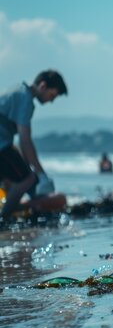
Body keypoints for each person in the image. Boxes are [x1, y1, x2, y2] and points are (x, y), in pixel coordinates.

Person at [0, 70, 67, 219]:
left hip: (4, 144)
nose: (51, 101)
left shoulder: (18, 90)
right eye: (52, 96)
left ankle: (8, 209)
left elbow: (20, 145)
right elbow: (25, 140)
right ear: (42, 86)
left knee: (14, 179)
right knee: (27, 179)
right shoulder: (25, 99)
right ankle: (3, 218)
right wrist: (41, 174)